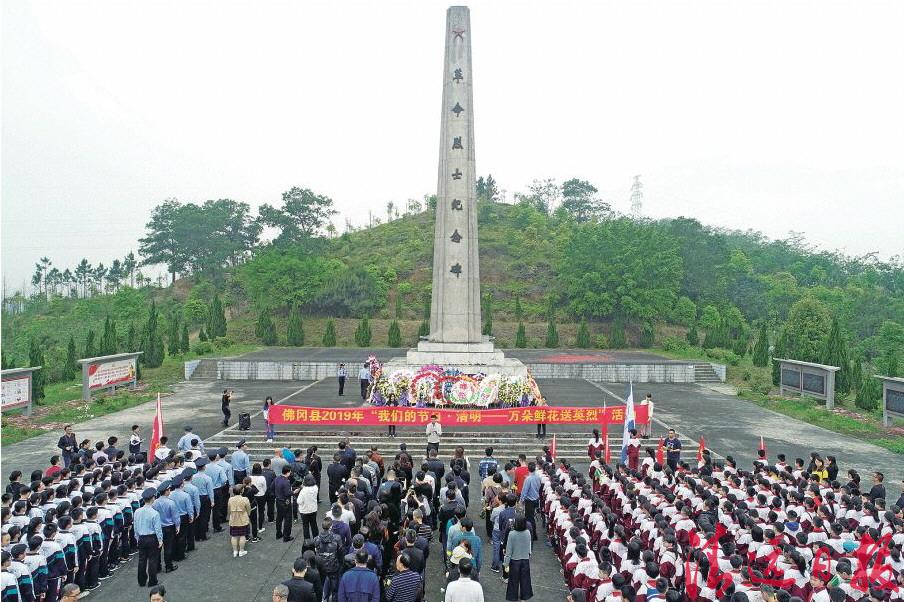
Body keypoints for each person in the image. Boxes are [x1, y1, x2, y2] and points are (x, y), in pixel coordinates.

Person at [134, 487, 163, 588]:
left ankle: (141, 581)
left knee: (142, 560)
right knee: (152, 560)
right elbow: (158, 529)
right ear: (153, 499)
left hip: (141, 537)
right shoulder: (155, 513)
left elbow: (135, 527)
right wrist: (160, 540)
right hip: (152, 538)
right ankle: (152, 581)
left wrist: (137, 537)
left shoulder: (137, 511)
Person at [503, 515, 533, 601]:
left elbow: (508, 551)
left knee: (513, 581)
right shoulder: (527, 532)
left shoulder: (512, 534)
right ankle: (525, 597)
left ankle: (513, 597)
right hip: (525, 559)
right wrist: (529, 554)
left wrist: (506, 563)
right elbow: (529, 545)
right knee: (525, 580)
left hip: (514, 561)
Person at [152, 481, 179, 573]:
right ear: (166, 491)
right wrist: (177, 526)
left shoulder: (154, 503)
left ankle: (157, 567)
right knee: (168, 547)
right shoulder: (171, 503)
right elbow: (175, 517)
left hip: (158, 527)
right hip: (169, 527)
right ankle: (168, 566)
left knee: (158, 548)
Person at [518, 462, 541, 541]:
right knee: (532, 517)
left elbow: (524, 491)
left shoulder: (528, 479)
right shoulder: (537, 477)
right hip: (536, 498)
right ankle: (533, 534)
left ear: (528, 469)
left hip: (529, 501)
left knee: (530, 519)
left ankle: (532, 535)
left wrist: (521, 501)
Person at [228, 484, 252, 558]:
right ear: (242, 491)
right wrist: (248, 514)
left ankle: (235, 551)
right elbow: (248, 510)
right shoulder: (245, 499)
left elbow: (229, 510)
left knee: (234, 536)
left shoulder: (230, 499)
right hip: (243, 519)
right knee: (242, 535)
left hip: (233, 519)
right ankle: (241, 551)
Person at [274, 466, 295, 542]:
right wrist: (293, 492)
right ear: (288, 472)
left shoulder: (277, 478)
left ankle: (278, 533)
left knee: (279, 518)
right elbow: (287, 493)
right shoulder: (286, 482)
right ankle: (286, 536)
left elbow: (272, 487)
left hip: (278, 501)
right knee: (288, 519)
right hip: (285, 502)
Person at [297, 474, 319, 541]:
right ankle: (316, 538)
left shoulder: (303, 491)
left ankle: (307, 540)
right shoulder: (316, 487)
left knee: (305, 526)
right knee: (314, 524)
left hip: (304, 511)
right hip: (313, 509)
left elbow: (299, 501)